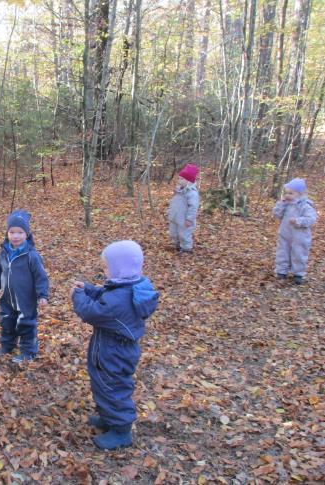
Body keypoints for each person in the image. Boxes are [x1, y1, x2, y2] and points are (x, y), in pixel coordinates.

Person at [72, 241, 158, 450]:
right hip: (108, 347)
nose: (104, 271)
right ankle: (109, 418)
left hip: (114, 352)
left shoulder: (122, 298)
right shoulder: (126, 286)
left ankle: (121, 431)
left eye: (106, 267)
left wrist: (77, 296)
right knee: (102, 384)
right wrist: (89, 289)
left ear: (121, 268)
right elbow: (104, 295)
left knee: (114, 388)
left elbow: (92, 312)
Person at [0, 210, 49, 363]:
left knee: (26, 324)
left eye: (20, 232)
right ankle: (7, 345)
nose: (15, 236)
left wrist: (42, 295)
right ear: (7, 233)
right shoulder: (3, 253)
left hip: (25, 299)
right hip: (7, 297)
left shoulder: (31, 256)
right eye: (12, 232)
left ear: (27, 234)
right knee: (7, 321)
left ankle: (28, 351)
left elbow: (41, 277)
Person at [272, 178, 317, 284]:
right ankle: (281, 271)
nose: (288, 195)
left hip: (300, 236)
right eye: (287, 193)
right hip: (285, 233)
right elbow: (277, 214)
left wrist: (298, 221)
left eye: (291, 193)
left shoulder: (305, 206)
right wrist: (281, 204)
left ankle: (298, 274)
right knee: (282, 252)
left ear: (299, 194)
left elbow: (311, 219)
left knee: (299, 253)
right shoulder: (286, 204)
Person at [168, 164, 200, 252]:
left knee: (184, 234)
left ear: (189, 181)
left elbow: (193, 207)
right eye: (178, 178)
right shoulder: (179, 191)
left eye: (182, 179)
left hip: (184, 219)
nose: (179, 180)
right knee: (174, 233)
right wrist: (170, 212)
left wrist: (189, 219)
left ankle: (186, 248)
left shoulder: (192, 193)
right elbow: (175, 203)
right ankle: (177, 245)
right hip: (175, 217)